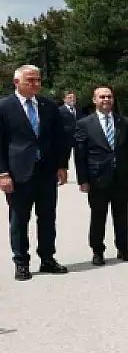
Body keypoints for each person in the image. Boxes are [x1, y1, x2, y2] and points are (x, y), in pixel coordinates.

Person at [0, 65, 71, 280]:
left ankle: (48, 258)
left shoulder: (48, 106)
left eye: (38, 80)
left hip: (46, 171)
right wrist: (3, 173)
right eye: (30, 80)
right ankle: (21, 262)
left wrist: (62, 165)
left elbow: (60, 137)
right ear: (17, 82)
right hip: (18, 173)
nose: (35, 84)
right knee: (20, 219)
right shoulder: (4, 107)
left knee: (48, 217)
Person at [74, 86, 128, 266]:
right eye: (102, 97)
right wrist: (83, 180)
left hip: (121, 177)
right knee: (98, 216)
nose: (106, 100)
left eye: (109, 96)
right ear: (94, 100)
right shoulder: (84, 124)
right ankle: (97, 251)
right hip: (97, 178)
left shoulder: (123, 122)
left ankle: (123, 248)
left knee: (121, 215)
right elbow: (80, 154)